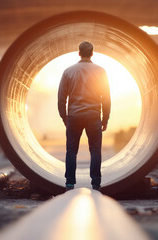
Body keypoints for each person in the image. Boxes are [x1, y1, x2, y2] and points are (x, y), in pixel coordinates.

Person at [58, 41, 111, 191]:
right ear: (92, 53)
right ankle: (96, 183)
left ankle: (69, 183)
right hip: (94, 116)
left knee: (71, 151)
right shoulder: (101, 71)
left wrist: (65, 118)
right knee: (95, 150)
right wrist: (105, 119)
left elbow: (61, 98)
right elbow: (106, 98)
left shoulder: (68, 71)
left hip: (74, 116)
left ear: (79, 53)